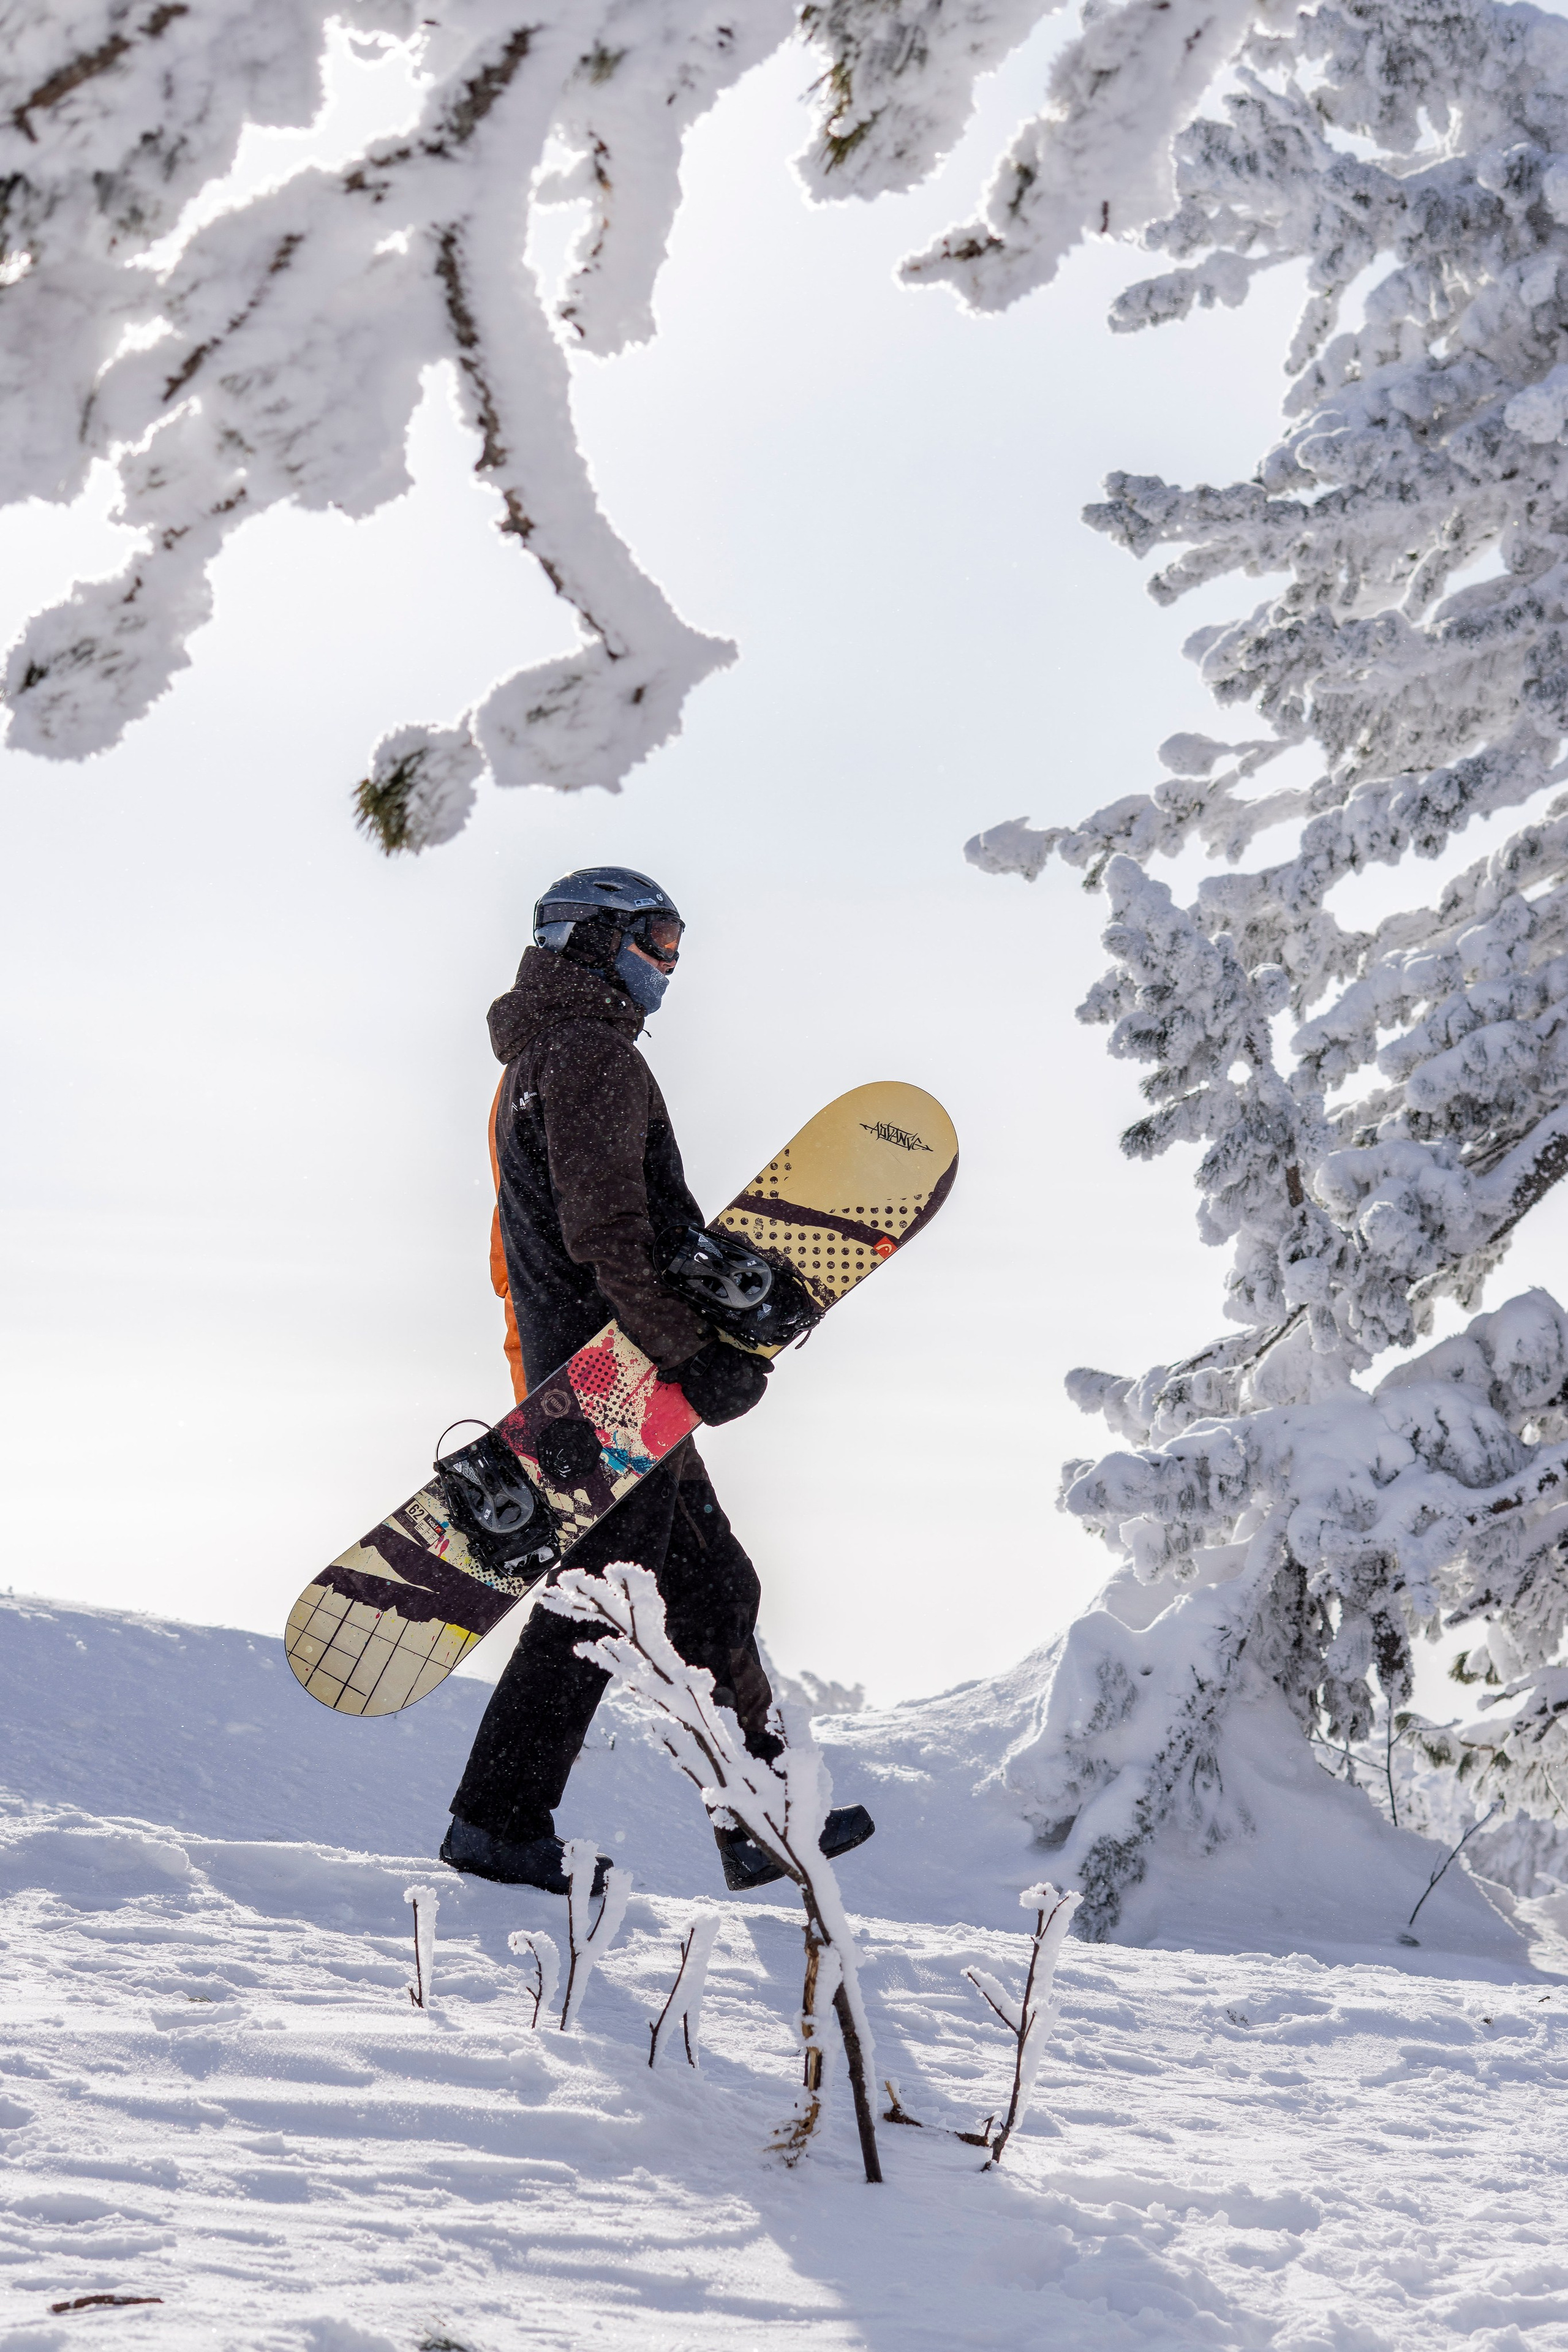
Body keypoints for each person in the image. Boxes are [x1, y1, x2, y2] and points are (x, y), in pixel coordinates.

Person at [440, 867, 874, 1898]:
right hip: (614, 1388)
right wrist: (697, 1356)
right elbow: (609, 1242)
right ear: (590, 940)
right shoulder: (588, 1056)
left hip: (605, 1379)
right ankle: (496, 1823)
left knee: (712, 1587)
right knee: (604, 1604)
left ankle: (756, 1818)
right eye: (657, 940)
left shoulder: (545, 1063)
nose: (669, 966)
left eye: (677, 943)